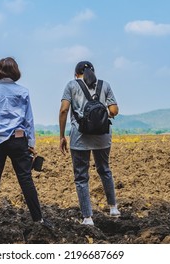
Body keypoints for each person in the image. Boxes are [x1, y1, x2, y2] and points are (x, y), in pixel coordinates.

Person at [0, 57, 52, 228]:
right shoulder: (23, 91)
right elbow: (29, 120)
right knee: (26, 179)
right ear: (15, 72)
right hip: (18, 139)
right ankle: (38, 219)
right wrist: (31, 142)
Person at [59, 61, 120, 226]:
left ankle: (87, 218)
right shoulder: (104, 85)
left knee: (81, 177)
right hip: (103, 137)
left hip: (80, 138)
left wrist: (62, 136)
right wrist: (100, 116)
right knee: (104, 170)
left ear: (75, 73)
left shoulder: (71, 85)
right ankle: (113, 208)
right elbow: (114, 110)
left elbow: (64, 110)